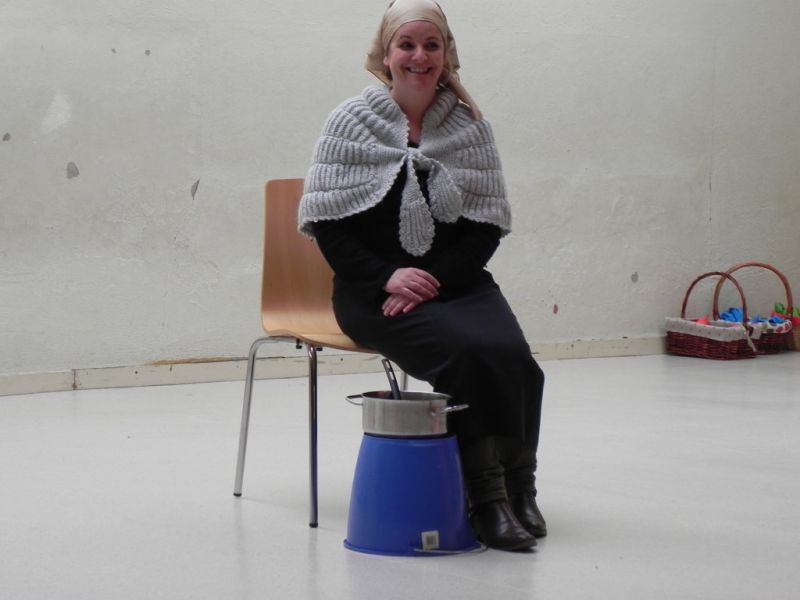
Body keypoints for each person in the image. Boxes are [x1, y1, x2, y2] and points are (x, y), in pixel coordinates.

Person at [298, 0, 546, 552]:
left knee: (515, 360)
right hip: (372, 291)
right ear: (386, 55)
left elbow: (486, 228)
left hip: (455, 282)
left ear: (446, 53)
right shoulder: (350, 122)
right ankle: (485, 499)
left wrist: (431, 279)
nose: (419, 56)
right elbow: (329, 228)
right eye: (406, 45)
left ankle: (520, 487)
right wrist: (388, 277)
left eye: (431, 45)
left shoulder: (469, 126)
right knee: (465, 355)